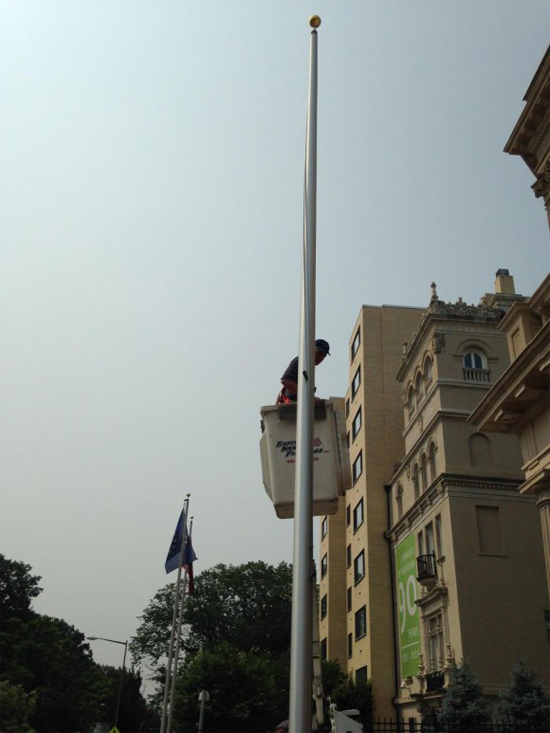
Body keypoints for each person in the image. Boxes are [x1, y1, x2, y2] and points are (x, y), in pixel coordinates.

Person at [277, 339, 330, 405]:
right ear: (311, 349)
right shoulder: (301, 362)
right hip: (291, 407)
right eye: (319, 353)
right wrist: (308, 397)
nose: (320, 358)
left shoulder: (310, 368)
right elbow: (285, 380)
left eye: (323, 356)